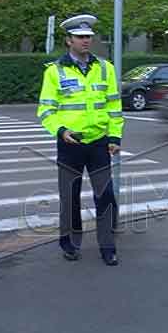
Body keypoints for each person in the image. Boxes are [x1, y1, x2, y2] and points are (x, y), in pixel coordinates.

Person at [37, 14, 124, 266]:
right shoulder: (55, 71)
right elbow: (45, 110)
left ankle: (108, 247)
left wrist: (115, 135)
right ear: (68, 40)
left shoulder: (105, 68)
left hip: (98, 143)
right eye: (80, 37)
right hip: (69, 144)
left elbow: (114, 106)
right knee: (69, 196)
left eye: (88, 37)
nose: (86, 41)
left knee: (105, 195)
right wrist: (61, 130)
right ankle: (70, 244)